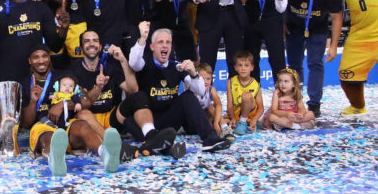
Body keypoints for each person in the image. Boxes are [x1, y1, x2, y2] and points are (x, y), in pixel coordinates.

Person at [21, 44, 136, 177]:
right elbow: (27, 124)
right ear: (30, 61)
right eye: (36, 57)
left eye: (44, 56)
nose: (41, 60)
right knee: (51, 136)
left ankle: (106, 154)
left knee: (82, 125)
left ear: (49, 58)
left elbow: (85, 100)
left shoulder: (64, 76)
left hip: (67, 123)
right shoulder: (26, 84)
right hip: (42, 126)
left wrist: (63, 104)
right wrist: (33, 101)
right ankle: (54, 159)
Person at [122, 22, 231, 154]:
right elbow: (133, 62)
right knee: (128, 122)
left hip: (169, 120)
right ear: (152, 47)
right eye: (160, 42)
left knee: (188, 96)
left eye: (168, 42)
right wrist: (142, 38)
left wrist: (194, 73)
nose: (165, 45)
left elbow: (201, 91)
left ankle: (209, 138)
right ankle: (162, 146)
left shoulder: (177, 66)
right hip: (146, 120)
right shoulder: (144, 62)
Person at [284, 0, 342, 117]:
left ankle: (314, 104)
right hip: (293, 27)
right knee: (294, 65)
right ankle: (295, 100)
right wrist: (282, 23)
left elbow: (337, 17)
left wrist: (333, 46)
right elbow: (278, 2)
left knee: (315, 63)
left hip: (317, 28)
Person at [71, 30, 137, 134]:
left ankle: (149, 135)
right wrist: (98, 87)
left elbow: (133, 90)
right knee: (83, 114)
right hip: (88, 121)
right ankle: (109, 140)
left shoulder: (110, 68)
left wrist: (123, 60)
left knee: (138, 98)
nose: (92, 44)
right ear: (81, 48)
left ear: (100, 46)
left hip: (110, 117)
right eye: (87, 41)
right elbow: (83, 104)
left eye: (95, 40)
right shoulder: (73, 71)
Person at [226, 51, 264, 136]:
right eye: (240, 65)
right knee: (221, 122)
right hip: (236, 113)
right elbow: (230, 104)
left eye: (246, 65)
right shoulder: (230, 82)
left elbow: (261, 108)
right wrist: (232, 118)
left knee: (246, 96)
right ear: (235, 67)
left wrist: (254, 119)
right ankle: (242, 122)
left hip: (251, 114)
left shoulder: (256, 84)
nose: (243, 68)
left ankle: (243, 122)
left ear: (252, 67)